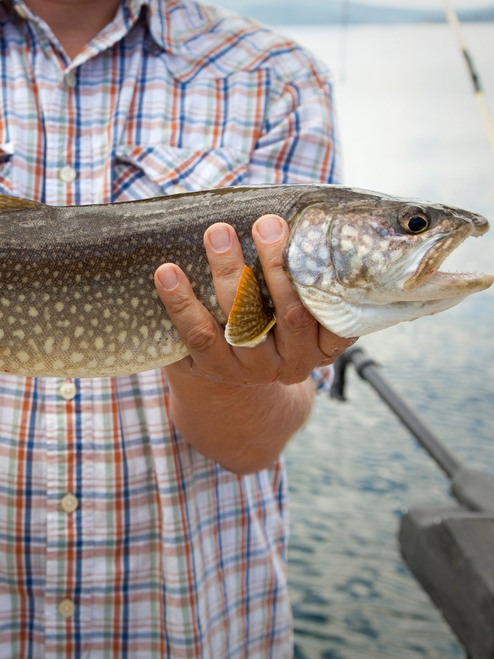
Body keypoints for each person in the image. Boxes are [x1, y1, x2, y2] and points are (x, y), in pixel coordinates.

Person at [0, 0, 354, 655]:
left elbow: (252, 444)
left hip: (190, 623)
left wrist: (228, 374)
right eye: (411, 227)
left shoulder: (275, 76)